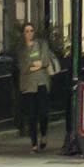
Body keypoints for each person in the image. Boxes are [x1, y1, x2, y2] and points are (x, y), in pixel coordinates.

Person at [16, 21, 57, 151]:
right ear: (23, 33)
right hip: (28, 85)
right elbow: (24, 65)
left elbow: (45, 61)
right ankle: (34, 143)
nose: (29, 33)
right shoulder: (21, 49)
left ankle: (43, 134)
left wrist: (35, 65)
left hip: (42, 82)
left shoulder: (41, 44)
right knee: (31, 115)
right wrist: (36, 64)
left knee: (43, 112)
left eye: (31, 31)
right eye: (27, 31)